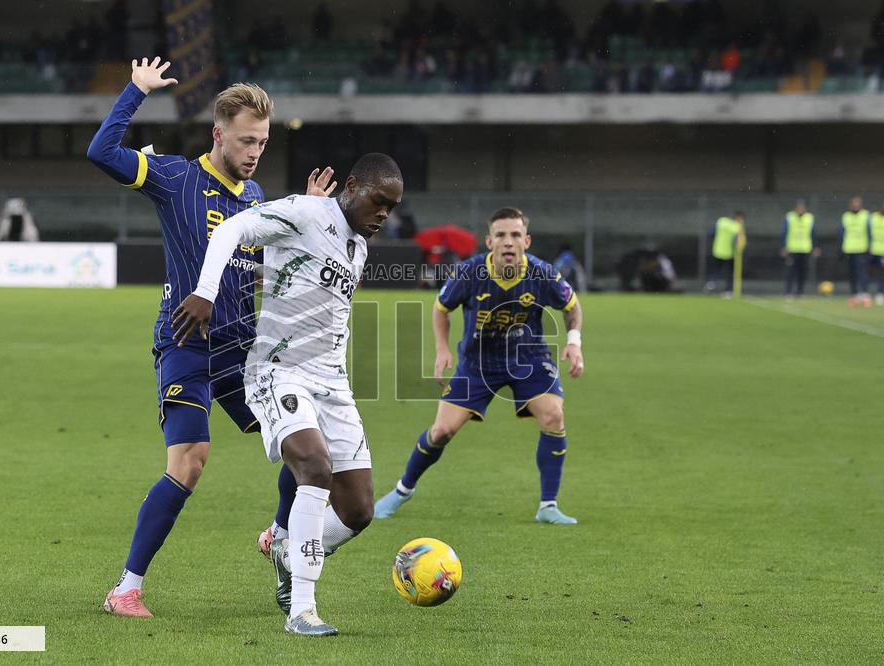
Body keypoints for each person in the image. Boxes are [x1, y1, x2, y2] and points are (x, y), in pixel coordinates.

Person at [87, 57, 335, 618]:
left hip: (245, 353)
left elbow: (280, 266)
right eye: (247, 141)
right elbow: (101, 153)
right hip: (187, 344)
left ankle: (277, 534)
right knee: (190, 461)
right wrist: (135, 91)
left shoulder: (256, 198)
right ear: (219, 133)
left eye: (263, 144)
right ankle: (126, 588)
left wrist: (313, 216)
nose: (254, 152)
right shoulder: (176, 178)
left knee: (306, 447)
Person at [172, 153, 404, 636]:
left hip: (333, 383)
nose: (384, 213)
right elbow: (230, 230)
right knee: (313, 468)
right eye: (379, 202)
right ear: (353, 186)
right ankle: (302, 608)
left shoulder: (358, 247)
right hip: (280, 371)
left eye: (392, 207)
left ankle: (285, 547)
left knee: (359, 511)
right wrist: (207, 291)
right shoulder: (304, 211)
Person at [374, 207, 585, 525]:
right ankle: (402, 490)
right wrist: (442, 349)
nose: (508, 242)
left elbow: (572, 307)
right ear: (489, 241)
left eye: (515, 235)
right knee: (442, 431)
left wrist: (573, 342)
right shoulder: (469, 273)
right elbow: (440, 309)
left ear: (526, 241)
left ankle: (548, 506)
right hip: (477, 362)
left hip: (528, 358)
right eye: (501, 235)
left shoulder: (543, 274)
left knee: (554, 415)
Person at [779, 199, 820, 298]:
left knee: (802, 272)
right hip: (792, 249)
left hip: (805, 249)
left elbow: (813, 234)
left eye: (802, 208)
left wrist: (815, 247)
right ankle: (788, 292)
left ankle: (800, 292)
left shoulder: (810, 218)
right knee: (790, 272)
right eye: (799, 207)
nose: (800, 209)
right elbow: (784, 232)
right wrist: (783, 246)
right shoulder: (789, 217)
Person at [841, 196, 872, 307]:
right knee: (852, 274)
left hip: (862, 249)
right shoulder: (846, 216)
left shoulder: (866, 215)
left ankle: (865, 296)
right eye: (854, 204)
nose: (856, 206)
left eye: (858, 204)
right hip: (849, 249)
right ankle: (854, 295)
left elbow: (869, 232)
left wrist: (869, 246)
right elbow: (842, 233)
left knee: (862, 273)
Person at [707, 211, 745, 296]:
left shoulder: (722, 222)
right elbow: (736, 241)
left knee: (716, 270)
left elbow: (712, 232)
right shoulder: (737, 227)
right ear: (739, 218)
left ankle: (712, 283)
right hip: (729, 253)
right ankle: (728, 290)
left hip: (718, 251)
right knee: (730, 273)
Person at [870, 203, 884, 305]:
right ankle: (866, 293)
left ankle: (880, 293)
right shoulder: (873, 217)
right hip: (873, 250)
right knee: (872, 272)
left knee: (881, 273)